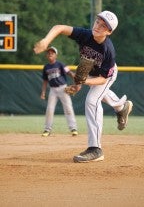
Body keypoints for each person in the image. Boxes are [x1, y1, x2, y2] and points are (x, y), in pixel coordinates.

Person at [34, 10, 133, 162]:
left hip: (106, 75)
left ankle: (96, 149)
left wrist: (83, 81)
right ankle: (121, 107)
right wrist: (46, 41)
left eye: (103, 25)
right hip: (92, 72)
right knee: (99, 94)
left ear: (109, 31)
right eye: (98, 21)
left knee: (92, 100)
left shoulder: (108, 50)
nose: (98, 26)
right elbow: (59, 27)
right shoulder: (85, 34)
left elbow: (102, 79)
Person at [40, 46, 78, 137]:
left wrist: (77, 83)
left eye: (52, 53)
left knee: (68, 108)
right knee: (49, 109)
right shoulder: (46, 67)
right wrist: (43, 92)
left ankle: (73, 128)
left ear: (55, 55)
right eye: (48, 53)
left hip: (63, 88)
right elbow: (45, 81)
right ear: (46, 55)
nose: (50, 54)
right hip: (53, 90)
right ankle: (47, 129)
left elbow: (70, 73)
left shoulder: (60, 64)